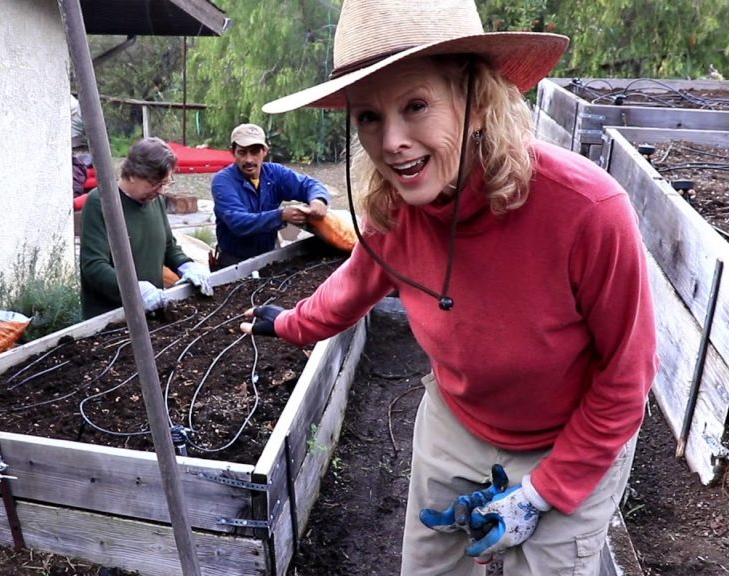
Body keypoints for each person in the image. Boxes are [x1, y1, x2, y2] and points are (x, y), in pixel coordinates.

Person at [243, 1, 658, 575]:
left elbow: (627, 377)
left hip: (571, 435)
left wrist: (542, 492)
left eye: (416, 105)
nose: (391, 142)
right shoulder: (395, 212)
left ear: (478, 103)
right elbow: (352, 286)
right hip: (457, 420)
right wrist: (286, 323)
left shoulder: (587, 212)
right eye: (367, 116)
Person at [80, 137, 213, 319]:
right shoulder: (102, 202)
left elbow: (168, 247)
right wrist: (134, 289)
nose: (161, 191)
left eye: (165, 182)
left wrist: (187, 266)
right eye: (155, 183)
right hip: (111, 320)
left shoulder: (155, 200)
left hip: (150, 313)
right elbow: (93, 267)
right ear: (133, 174)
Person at [210, 123, 331, 268]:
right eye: (242, 152)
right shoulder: (223, 181)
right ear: (233, 152)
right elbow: (238, 222)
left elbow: (308, 185)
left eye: (255, 152)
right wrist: (280, 216)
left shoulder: (275, 173)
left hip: (268, 257)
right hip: (234, 261)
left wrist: (318, 200)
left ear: (265, 151)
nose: (249, 160)